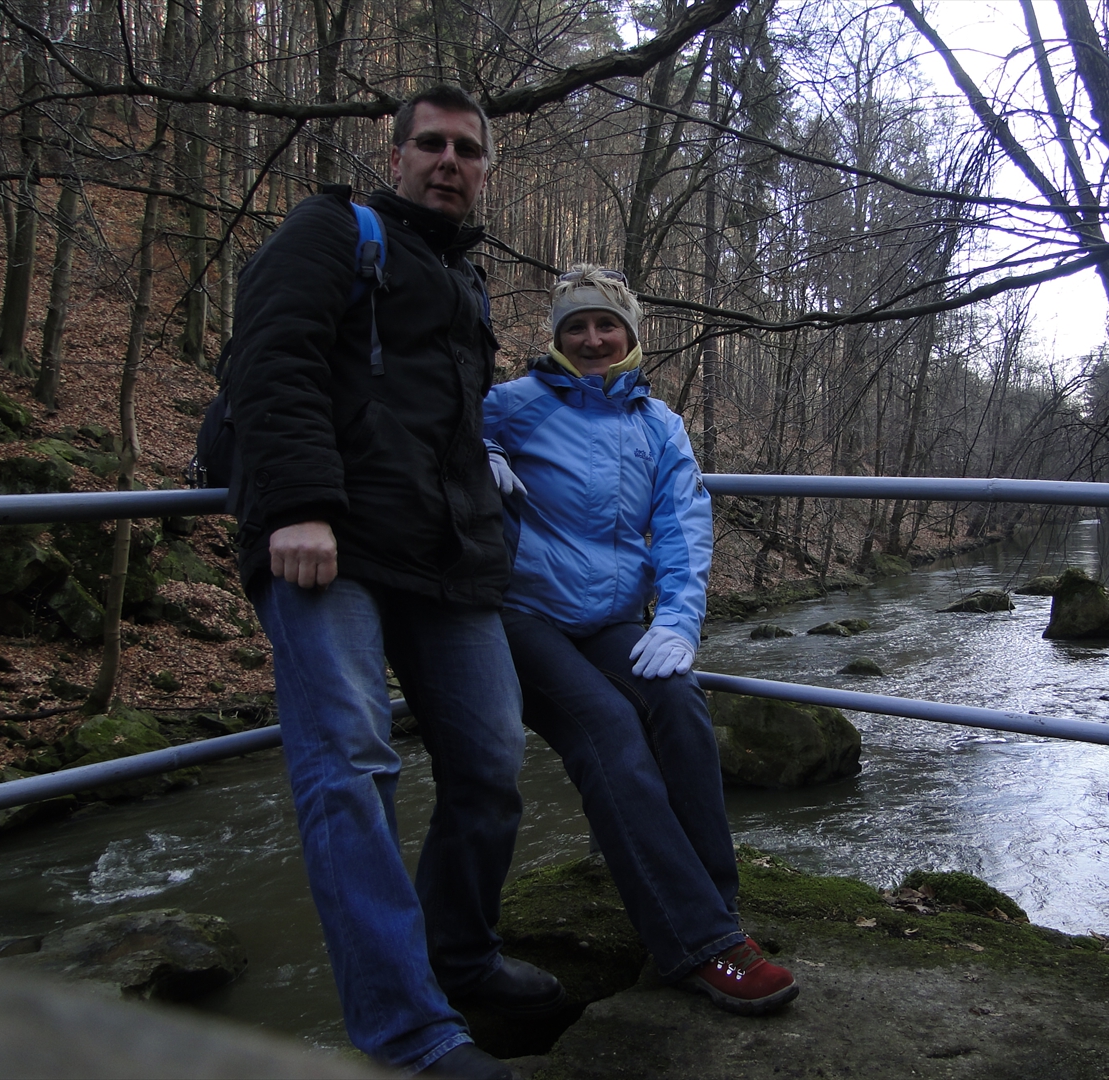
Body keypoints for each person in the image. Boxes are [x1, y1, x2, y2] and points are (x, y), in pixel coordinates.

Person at [226, 85, 557, 1080]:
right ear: (398, 151)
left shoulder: (465, 280)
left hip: (447, 561)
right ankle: (410, 1034)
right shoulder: (333, 229)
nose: (449, 161)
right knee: (352, 771)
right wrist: (296, 504)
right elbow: (271, 359)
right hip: (330, 545)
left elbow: (444, 423)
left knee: (494, 765)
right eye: (432, 145)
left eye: (468, 149)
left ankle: (458, 958)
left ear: (486, 168)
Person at [481, 267, 800, 1016]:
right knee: (609, 733)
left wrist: (680, 620)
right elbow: (446, 428)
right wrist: (478, 450)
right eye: (576, 327)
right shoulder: (513, 405)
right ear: (557, 338)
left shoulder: (660, 424)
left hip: (611, 620)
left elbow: (684, 524)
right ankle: (700, 946)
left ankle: (715, 913)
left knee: (680, 705)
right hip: (524, 616)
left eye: (606, 325)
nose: (592, 338)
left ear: (630, 334)